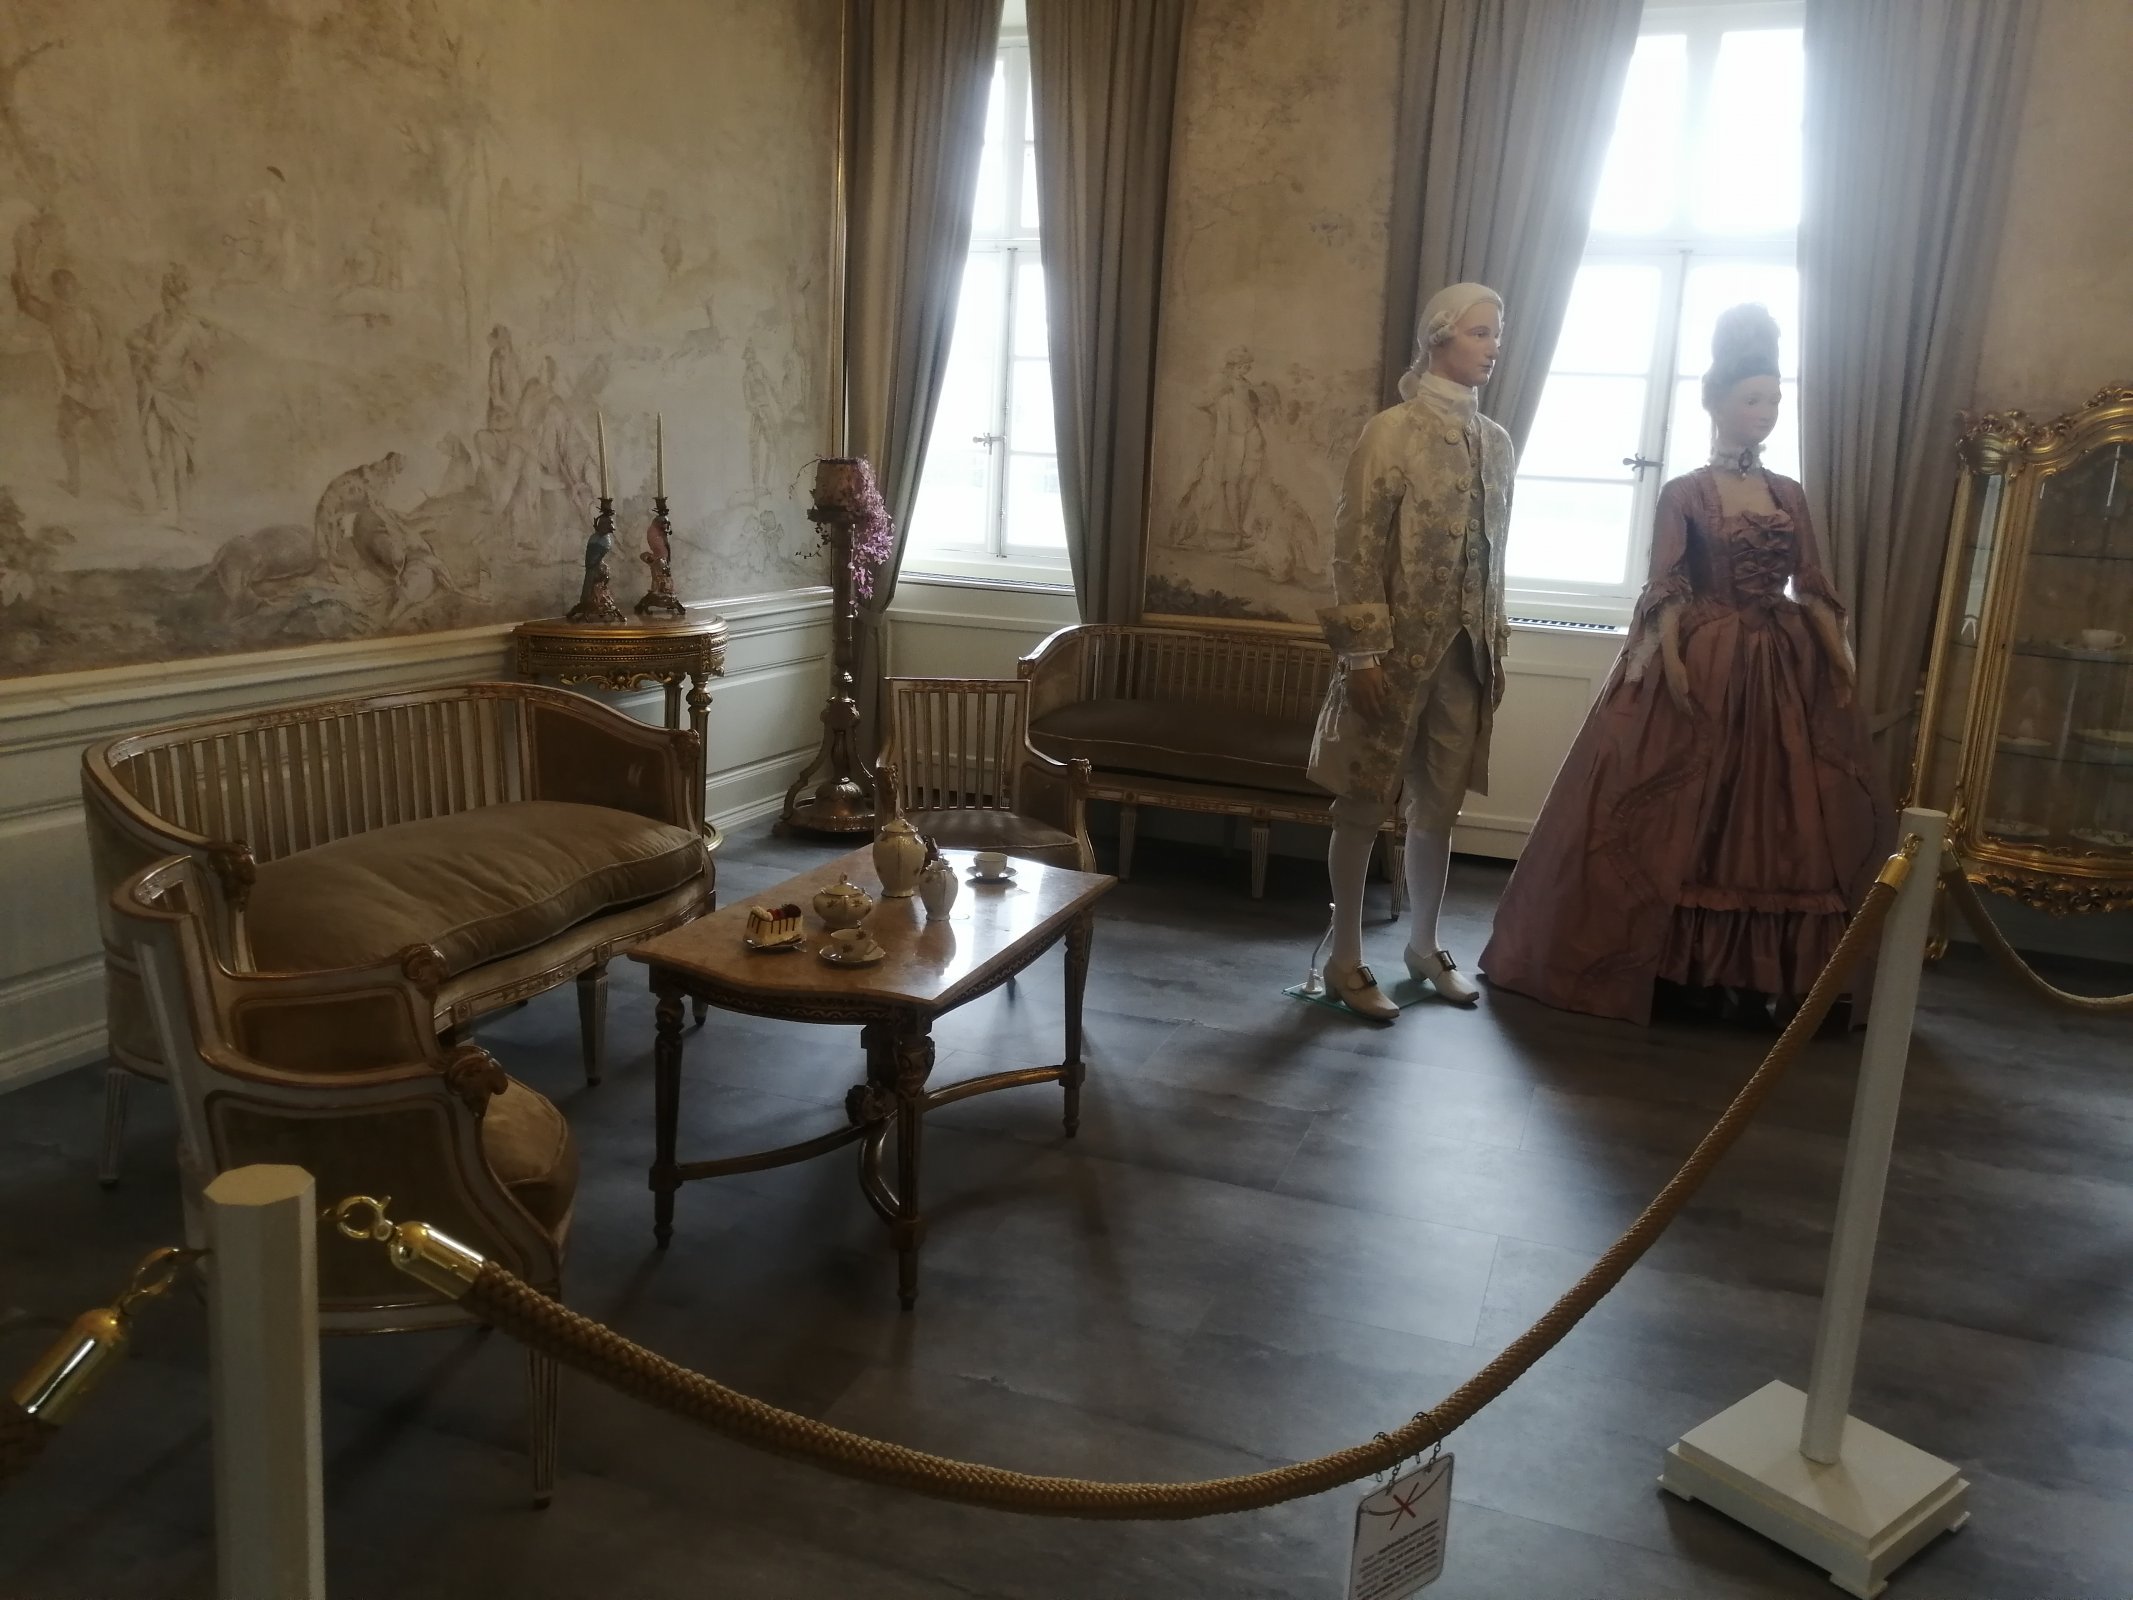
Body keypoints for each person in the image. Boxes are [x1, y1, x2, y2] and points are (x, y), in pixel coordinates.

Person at [1480, 305, 1890, 1026]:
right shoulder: (1685, 492)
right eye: (1752, 399)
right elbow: (1666, 583)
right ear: (1716, 404)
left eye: (1773, 401)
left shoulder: (1788, 493)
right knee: (1678, 811)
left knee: (1775, 818)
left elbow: (1811, 581)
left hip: (1778, 668)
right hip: (1704, 663)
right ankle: (1675, 967)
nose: (1765, 413)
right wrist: (1670, 660)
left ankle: (1759, 975)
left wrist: (1837, 654)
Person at [1309, 283, 1514, 1021]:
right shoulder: (1390, 433)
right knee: (1364, 800)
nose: (1492, 347)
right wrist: (1362, 653)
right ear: (1439, 337)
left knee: (1439, 806)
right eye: (1480, 332)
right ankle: (1343, 958)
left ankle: (1424, 946)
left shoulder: (1495, 443)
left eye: (1496, 334)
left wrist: (1492, 640)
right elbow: (1355, 546)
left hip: (1466, 654)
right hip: (1392, 657)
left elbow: (1493, 556)